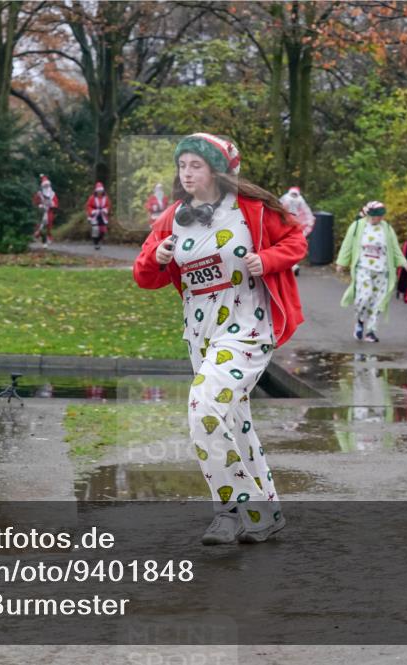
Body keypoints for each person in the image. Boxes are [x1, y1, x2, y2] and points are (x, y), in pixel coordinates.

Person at [133, 132, 306, 545]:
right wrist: (155, 259)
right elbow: (143, 275)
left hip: (248, 325)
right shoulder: (173, 216)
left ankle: (237, 510)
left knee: (203, 407)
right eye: (182, 165)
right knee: (232, 420)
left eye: (196, 165)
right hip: (200, 333)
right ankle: (266, 514)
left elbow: (296, 240)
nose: (187, 173)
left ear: (217, 169)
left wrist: (265, 260)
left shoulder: (252, 209)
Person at [335, 200, 407, 343]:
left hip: (383, 270)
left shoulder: (387, 228)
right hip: (363, 268)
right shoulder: (357, 226)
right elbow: (347, 245)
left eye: (381, 216)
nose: (380, 219)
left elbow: (394, 248)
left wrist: (403, 262)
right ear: (369, 215)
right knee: (364, 297)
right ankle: (360, 321)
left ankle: (371, 331)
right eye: (377, 216)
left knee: (378, 301)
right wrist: (341, 262)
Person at [279, 186, 315, 277]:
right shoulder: (301, 200)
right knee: (294, 246)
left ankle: (290, 265)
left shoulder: (285, 198)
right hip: (296, 227)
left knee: (285, 245)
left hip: (285, 226)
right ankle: (293, 265)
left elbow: (278, 208)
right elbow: (307, 214)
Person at [32, 175, 58, 246]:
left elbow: (56, 203)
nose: (46, 187)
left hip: (49, 211)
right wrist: (39, 206)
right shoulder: (39, 194)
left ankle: (49, 238)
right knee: (39, 224)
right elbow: (35, 202)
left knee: (49, 225)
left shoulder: (53, 194)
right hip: (41, 212)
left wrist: (53, 205)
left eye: (47, 185)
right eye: (45, 186)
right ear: (43, 186)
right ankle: (38, 236)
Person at [85, 181, 111, 250]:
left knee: (102, 230)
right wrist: (92, 211)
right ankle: (95, 243)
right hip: (94, 215)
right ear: (96, 191)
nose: (100, 192)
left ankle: (99, 241)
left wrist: (106, 210)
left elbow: (108, 205)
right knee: (95, 229)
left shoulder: (106, 198)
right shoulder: (92, 198)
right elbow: (88, 206)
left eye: (101, 191)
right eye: (99, 191)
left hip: (102, 215)